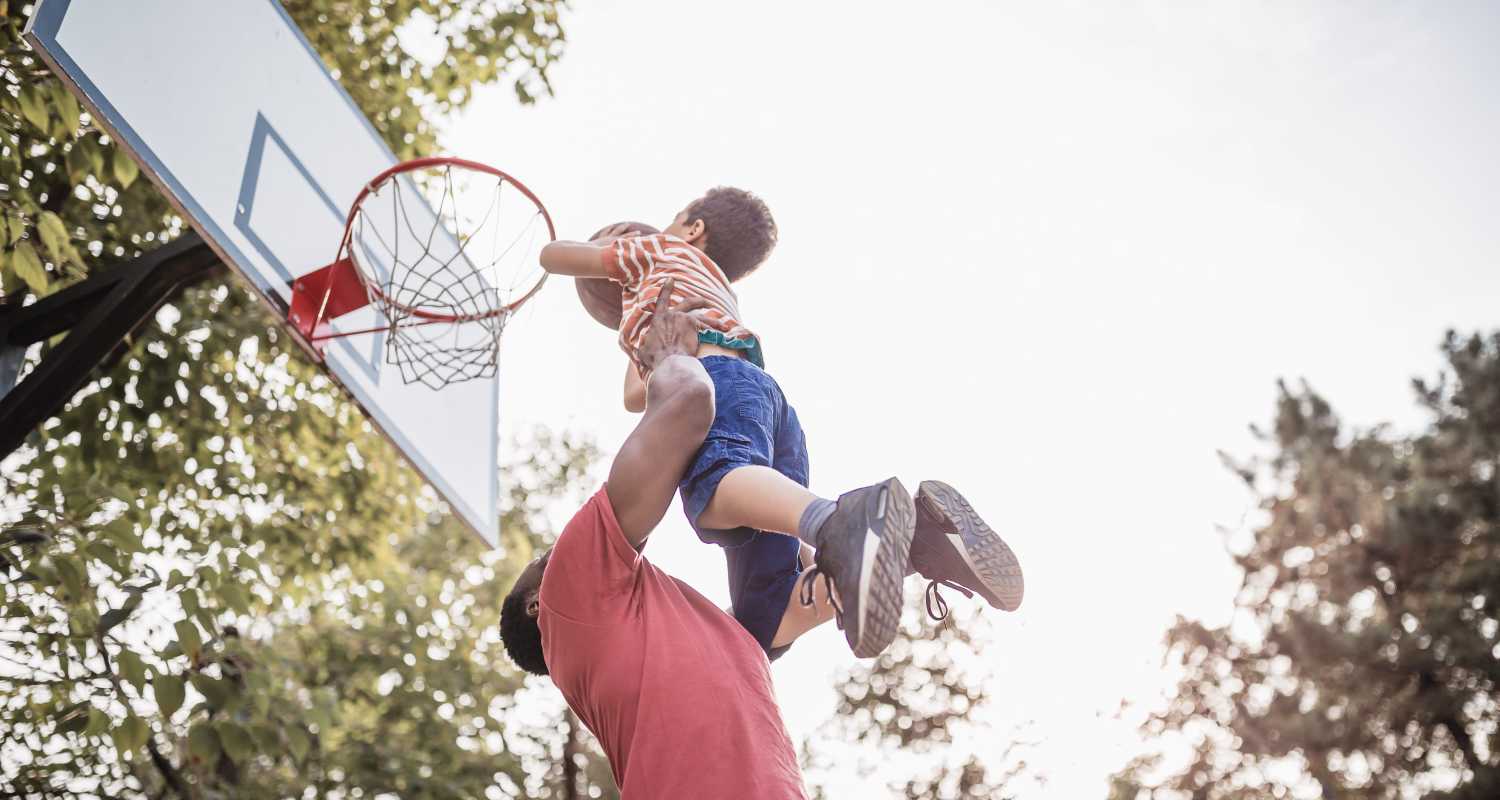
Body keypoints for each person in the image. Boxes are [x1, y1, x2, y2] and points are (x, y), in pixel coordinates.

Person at [537, 188, 1024, 658]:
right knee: (763, 621)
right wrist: (634, 317)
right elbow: (634, 394)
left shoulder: (654, 250)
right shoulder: (710, 285)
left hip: (717, 382)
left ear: (692, 228)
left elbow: (552, 255)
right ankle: (925, 541)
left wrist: (608, 250)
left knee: (713, 488)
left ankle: (836, 520)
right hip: (761, 399)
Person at [500, 287, 816, 798]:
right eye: (541, 561)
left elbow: (784, 600)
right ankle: (833, 520)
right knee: (714, 493)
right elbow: (689, 404)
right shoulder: (567, 599)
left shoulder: (695, 634)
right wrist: (666, 358)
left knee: (766, 615)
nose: (551, 554)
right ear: (539, 605)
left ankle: (902, 536)